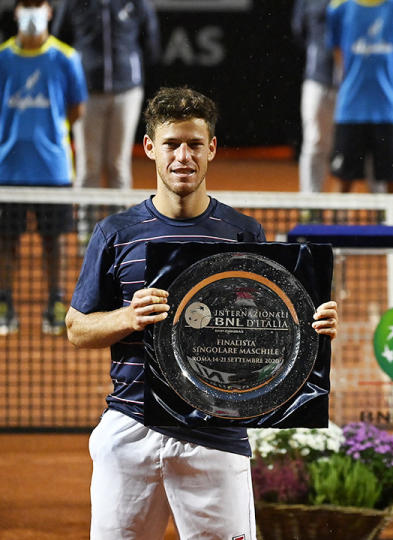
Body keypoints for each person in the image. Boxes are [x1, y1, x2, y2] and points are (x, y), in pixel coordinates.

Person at [64, 87, 340, 539]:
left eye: (194, 144)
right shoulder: (116, 233)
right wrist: (127, 318)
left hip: (217, 435)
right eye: (172, 144)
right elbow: (77, 330)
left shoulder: (242, 233)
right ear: (151, 149)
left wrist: (311, 328)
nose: (183, 157)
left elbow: (265, 332)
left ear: (211, 149)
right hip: (131, 426)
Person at [0, 0, 87, 336]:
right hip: (8, 169)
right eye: (27, 4)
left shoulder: (66, 57)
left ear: (50, 11)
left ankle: (56, 301)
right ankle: (4, 301)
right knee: (7, 240)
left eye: (39, 4)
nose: (33, 11)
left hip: (53, 169)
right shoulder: (3, 58)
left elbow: (76, 108)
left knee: (54, 241)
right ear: (17, 11)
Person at [51, 0, 160, 242]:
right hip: (85, 93)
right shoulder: (73, 4)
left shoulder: (137, 3)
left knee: (118, 165)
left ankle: (120, 236)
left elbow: (151, 44)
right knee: (88, 166)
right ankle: (86, 237)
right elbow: (58, 42)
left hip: (127, 92)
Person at [326, 0, 393, 195]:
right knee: (343, 183)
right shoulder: (338, 7)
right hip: (350, 110)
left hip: (390, 112)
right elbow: (337, 51)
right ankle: (338, 227)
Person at [293, 0, 337, 203]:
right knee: (315, 143)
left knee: (363, 148)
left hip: (355, 84)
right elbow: (300, 31)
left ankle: (381, 212)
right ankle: (310, 207)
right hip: (317, 81)